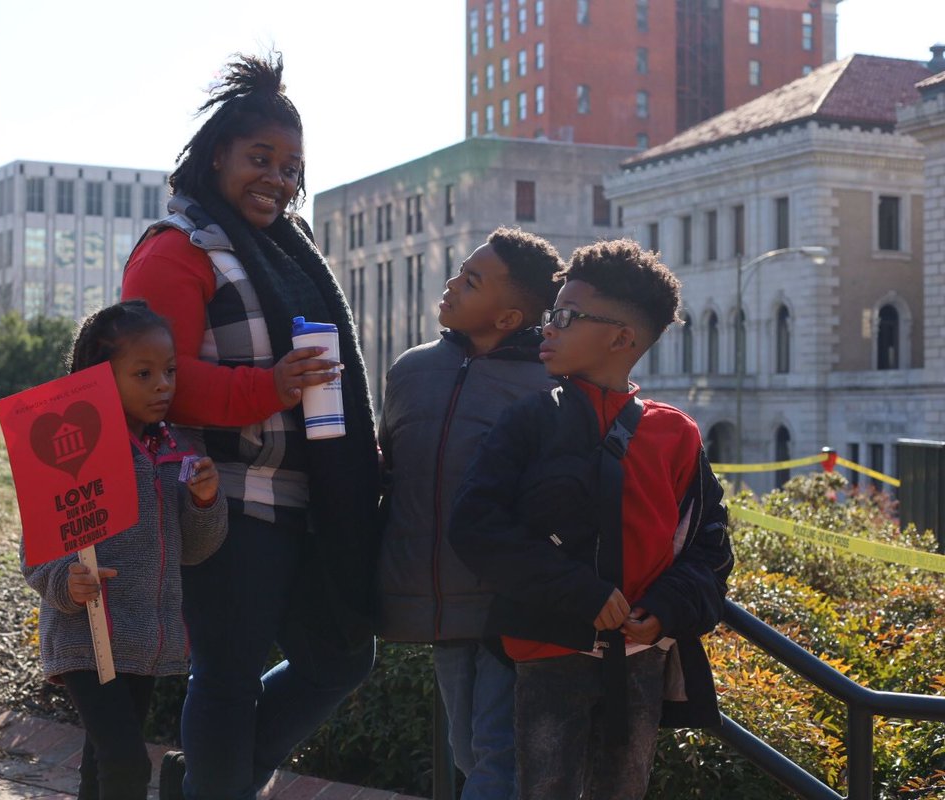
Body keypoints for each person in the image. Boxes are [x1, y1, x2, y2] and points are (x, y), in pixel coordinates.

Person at [120, 52, 380, 800]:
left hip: (307, 500)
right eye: (260, 159)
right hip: (224, 502)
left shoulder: (287, 251)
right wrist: (268, 387)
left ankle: (205, 785)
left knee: (342, 657)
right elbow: (152, 385)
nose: (278, 178)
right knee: (227, 679)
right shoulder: (177, 249)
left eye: (292, 166)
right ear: (214, 159)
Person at [449, 239, 734, 800]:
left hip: (642, 660)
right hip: (547, 654)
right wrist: (578, 592)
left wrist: (666, 611)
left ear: (622, 338)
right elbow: (476, 525)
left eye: (565, 317)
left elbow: (710, 547)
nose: (546, 328)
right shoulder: (528, 421)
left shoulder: (677, 434)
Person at [375, 227, 563, 798]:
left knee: (495, 760)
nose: (453, 284)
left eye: (472, 281)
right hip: (438, 604)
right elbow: (392, 468)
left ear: (508, 318)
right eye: (460, 271)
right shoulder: (411, 369)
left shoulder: (548, 383)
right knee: (468, 751)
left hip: (508, 604)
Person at [22, 300, 228, 799]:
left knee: (102, 767)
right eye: (144, 373)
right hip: (84, 635)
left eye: (169, 371)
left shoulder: (177, 450)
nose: (163, 384)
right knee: (127, 765)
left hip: (143, 639)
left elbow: (195, 551)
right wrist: (64, 580)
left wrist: (205, 502)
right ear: (97, 378)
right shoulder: (73, 448)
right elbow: (35, 552)